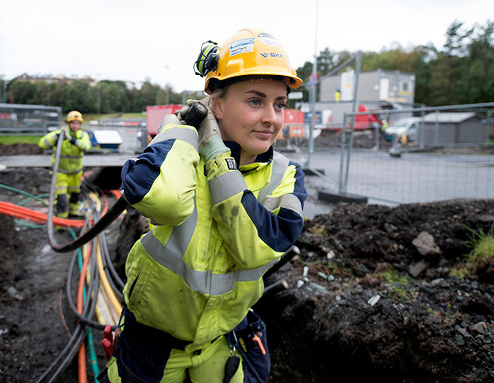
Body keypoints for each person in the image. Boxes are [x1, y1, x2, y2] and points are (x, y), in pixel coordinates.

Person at [99, 28, 307, 383]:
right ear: (217, 105)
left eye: (280, 103)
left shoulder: (286, 174)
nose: (272, 117)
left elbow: (260, 248)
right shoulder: (182, 154)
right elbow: (157, 199)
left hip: (218, 342)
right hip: (150, 346)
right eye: (255, 101)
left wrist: (216, 157)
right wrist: (180, 129)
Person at [38, 110, 91, 218]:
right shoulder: (60, 134)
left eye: (77, 123)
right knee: (61, 198)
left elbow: (86, 147)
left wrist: (72, 140)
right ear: (68, 123)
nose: (75, 126)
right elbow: (43, 143)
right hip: (60, 173)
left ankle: (73, 214)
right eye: (72, 123)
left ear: (80, 124)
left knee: (75, 195)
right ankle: (61, 221)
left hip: (76, 173)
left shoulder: (82, 135)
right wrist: (57, 136)